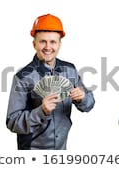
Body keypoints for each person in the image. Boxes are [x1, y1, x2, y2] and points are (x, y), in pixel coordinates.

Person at [6, 14, 95, 150]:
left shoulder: (70, 70)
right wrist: (41, 111)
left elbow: (89, 105)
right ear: (34, 44)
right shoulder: (23, 77)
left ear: (59, 44)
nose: (48, 47)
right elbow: (12, 122)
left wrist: (82, 98)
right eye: (42, 41)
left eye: (53, 42)